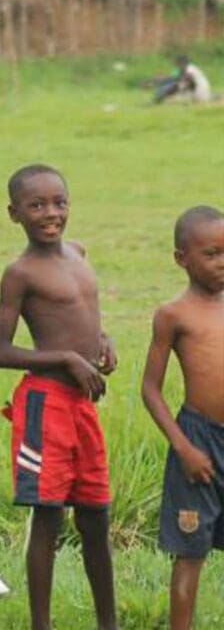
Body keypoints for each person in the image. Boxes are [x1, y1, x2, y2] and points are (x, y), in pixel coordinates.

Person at [0, 164, 119, 630]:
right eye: (36, 205)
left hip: (83, 407)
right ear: (14, 214)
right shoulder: (20, 273)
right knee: (48, 517)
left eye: (58, 202)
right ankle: (40, 624)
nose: (50, 213)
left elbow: (86, 316)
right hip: (45, 407)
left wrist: (102, 340)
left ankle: (109, 622)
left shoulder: (79, 253)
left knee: (96, 514)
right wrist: (65, 357)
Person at [141, 206, 224, 630]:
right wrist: (183, 447)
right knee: (191, 551)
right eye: (211, 254)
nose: (222, 262)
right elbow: (149, 389)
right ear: (181, 258)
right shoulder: (174, 315)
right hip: (198, 440)